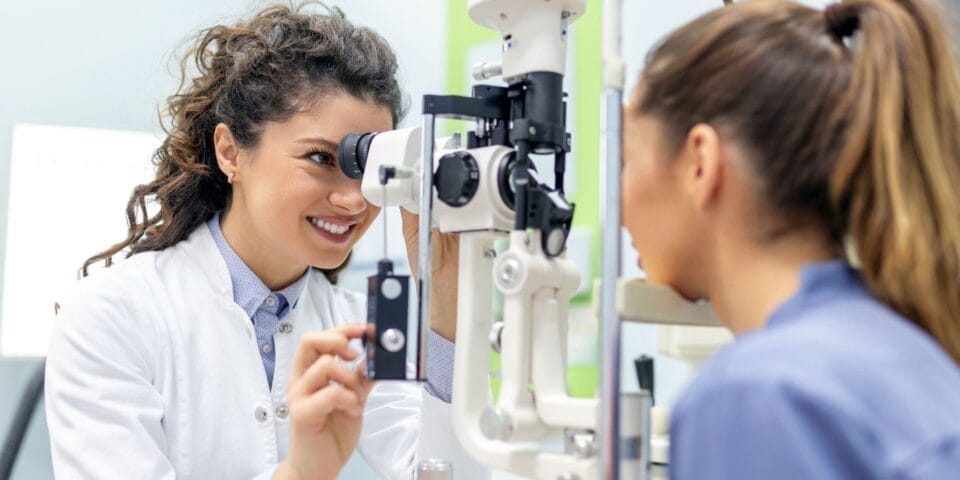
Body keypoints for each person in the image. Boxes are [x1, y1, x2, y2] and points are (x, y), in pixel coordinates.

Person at [43, 4, 482, 479]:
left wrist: (448, 308)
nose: (354, 199)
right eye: (320, 158)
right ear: (230, 152)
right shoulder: (110, 316)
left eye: (369, 169)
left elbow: (446, 475)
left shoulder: (365, 325)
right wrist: (300, 473)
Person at [620, 0, 960, 477]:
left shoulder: (754, 396)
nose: (619, 203)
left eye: (626, 159)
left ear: (700, 163)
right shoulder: (914, 354)